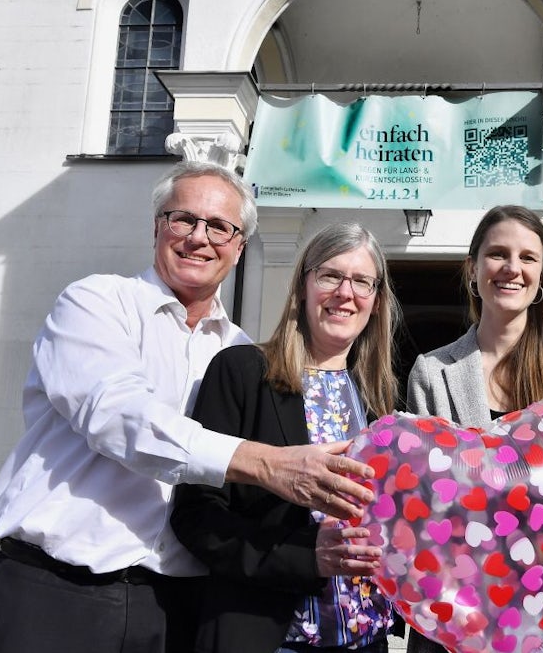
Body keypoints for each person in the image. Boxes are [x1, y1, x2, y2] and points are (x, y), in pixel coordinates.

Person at [0, 162, 376, 653]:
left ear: (239, 248)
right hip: (56, 592)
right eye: (184, 219)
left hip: (173, 606)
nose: (200, 238)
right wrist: (267, 464)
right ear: (158, 225)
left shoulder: (240, 355)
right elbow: (116, 416)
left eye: (220, 227)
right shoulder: (98, 303)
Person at [403, 205, 543, 653]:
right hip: (469, 612)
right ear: (473, 268)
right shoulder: (433, 372)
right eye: (498, 254)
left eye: (528, 257)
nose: (513, 268)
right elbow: (426, 506)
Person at [171, 222, 403, 653]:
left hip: (364, 639)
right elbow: (195, 516)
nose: (344, 292)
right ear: (303, 286)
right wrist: (303, 556)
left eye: (361, 282)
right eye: (330, 275)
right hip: (270, 636)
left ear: (376, 301)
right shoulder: (242, 372)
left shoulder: (380, 400)